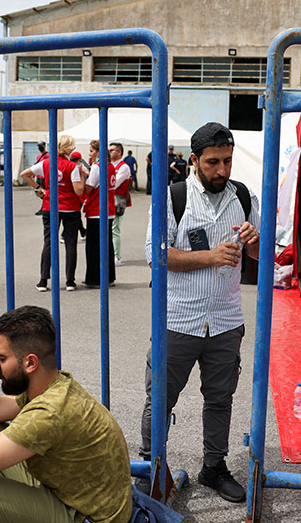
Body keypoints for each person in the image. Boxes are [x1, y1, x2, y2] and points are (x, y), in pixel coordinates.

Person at [0, 305, 132, 523]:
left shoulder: (49, 412)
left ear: (30, 362)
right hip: (77, 502)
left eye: (1, 358)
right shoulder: (53, 384)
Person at [139, 122, 260, 503]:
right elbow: (154, 255)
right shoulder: (173, 197)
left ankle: (214, 467)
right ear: (194, 161)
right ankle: (149, 467)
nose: (222, 170)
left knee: (220, 397)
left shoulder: (242, 196)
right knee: (160, 397)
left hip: (225, 320)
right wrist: (209, 256)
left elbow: (261, 252)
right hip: (178, 319)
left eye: (227, 161)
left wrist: (255, 243)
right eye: (212, 163)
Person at [20, 135, 84, 292]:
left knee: (49, 242)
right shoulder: (72, 166)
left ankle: (43, 280)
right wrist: (82, 176)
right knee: (70, 243)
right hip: (70, 207)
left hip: (51, 206)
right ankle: (70, 281)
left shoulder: (46, 163)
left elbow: (25, 174)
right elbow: (78, 190)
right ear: (69, 149)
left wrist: (38, 188)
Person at [81, 139, 128, 288]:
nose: (90, 154)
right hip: (108, 210)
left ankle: (94, 278)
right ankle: (109, 277)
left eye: (91, 151)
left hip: (96, 210)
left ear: (98, 152)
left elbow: (88, 189)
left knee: (93, 247)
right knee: (106, 246)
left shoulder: (97, 167)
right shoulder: (110, 167)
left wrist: (83, 176)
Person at [109, 142, 132, 267]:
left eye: (112, 150)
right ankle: (111, 254)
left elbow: (114, 184)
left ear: (119, 152)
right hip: (108, 200)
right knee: (109, 228)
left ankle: (117, 257)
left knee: (114, 229)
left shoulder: (123, 167)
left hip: (117, 200)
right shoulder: (110, 165)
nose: (110, 151)